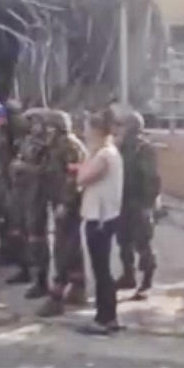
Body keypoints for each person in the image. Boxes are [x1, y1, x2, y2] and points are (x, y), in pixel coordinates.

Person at [75, 108, 124, 336]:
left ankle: (105, 318)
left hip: (100, 218)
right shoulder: (107, 152)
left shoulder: (104, 154)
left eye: (86, 128)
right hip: (104, 215)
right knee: (102, 269)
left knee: (101, 270)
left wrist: (86, 159)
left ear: (95, 130)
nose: (84, 132)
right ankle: (108, 316)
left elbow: (83, 178)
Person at [36, 111, 89, 316]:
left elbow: (73, 177)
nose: (45, 131)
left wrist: (65, 203)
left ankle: (57, 296)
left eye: (49, 127)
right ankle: (78, 287)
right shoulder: (55, 146)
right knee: (72, 247)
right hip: (58, 201)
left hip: (69, 204)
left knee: (63, 248)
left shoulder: (69, 146)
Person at [116, 109, 160, 298]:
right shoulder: (120, 147)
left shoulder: (144, 148)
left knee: (143, 243)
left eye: (123, 125)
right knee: (123, 241)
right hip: (122, 201)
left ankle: (147, 283)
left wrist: (147, 205)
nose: (120, 129)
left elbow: (151, 178)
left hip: (138, 201)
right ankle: (128, 276)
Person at [6, 113, 47, 286]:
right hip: (19, 190)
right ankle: (24, 269)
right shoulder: (25, 141)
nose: (32, 126)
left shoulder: (46, 145)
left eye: (36, 122)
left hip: (35, 193)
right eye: (31, 122)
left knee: (35, 236)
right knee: (18, 231)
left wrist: (24, 167)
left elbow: (44, 170)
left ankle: (41, 278)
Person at [0, 101, 23, 266]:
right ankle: (6, 250)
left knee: (13, 218)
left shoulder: (15, 131)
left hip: (11, 181)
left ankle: (18, 254)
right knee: (0, 217)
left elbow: (19, 154)